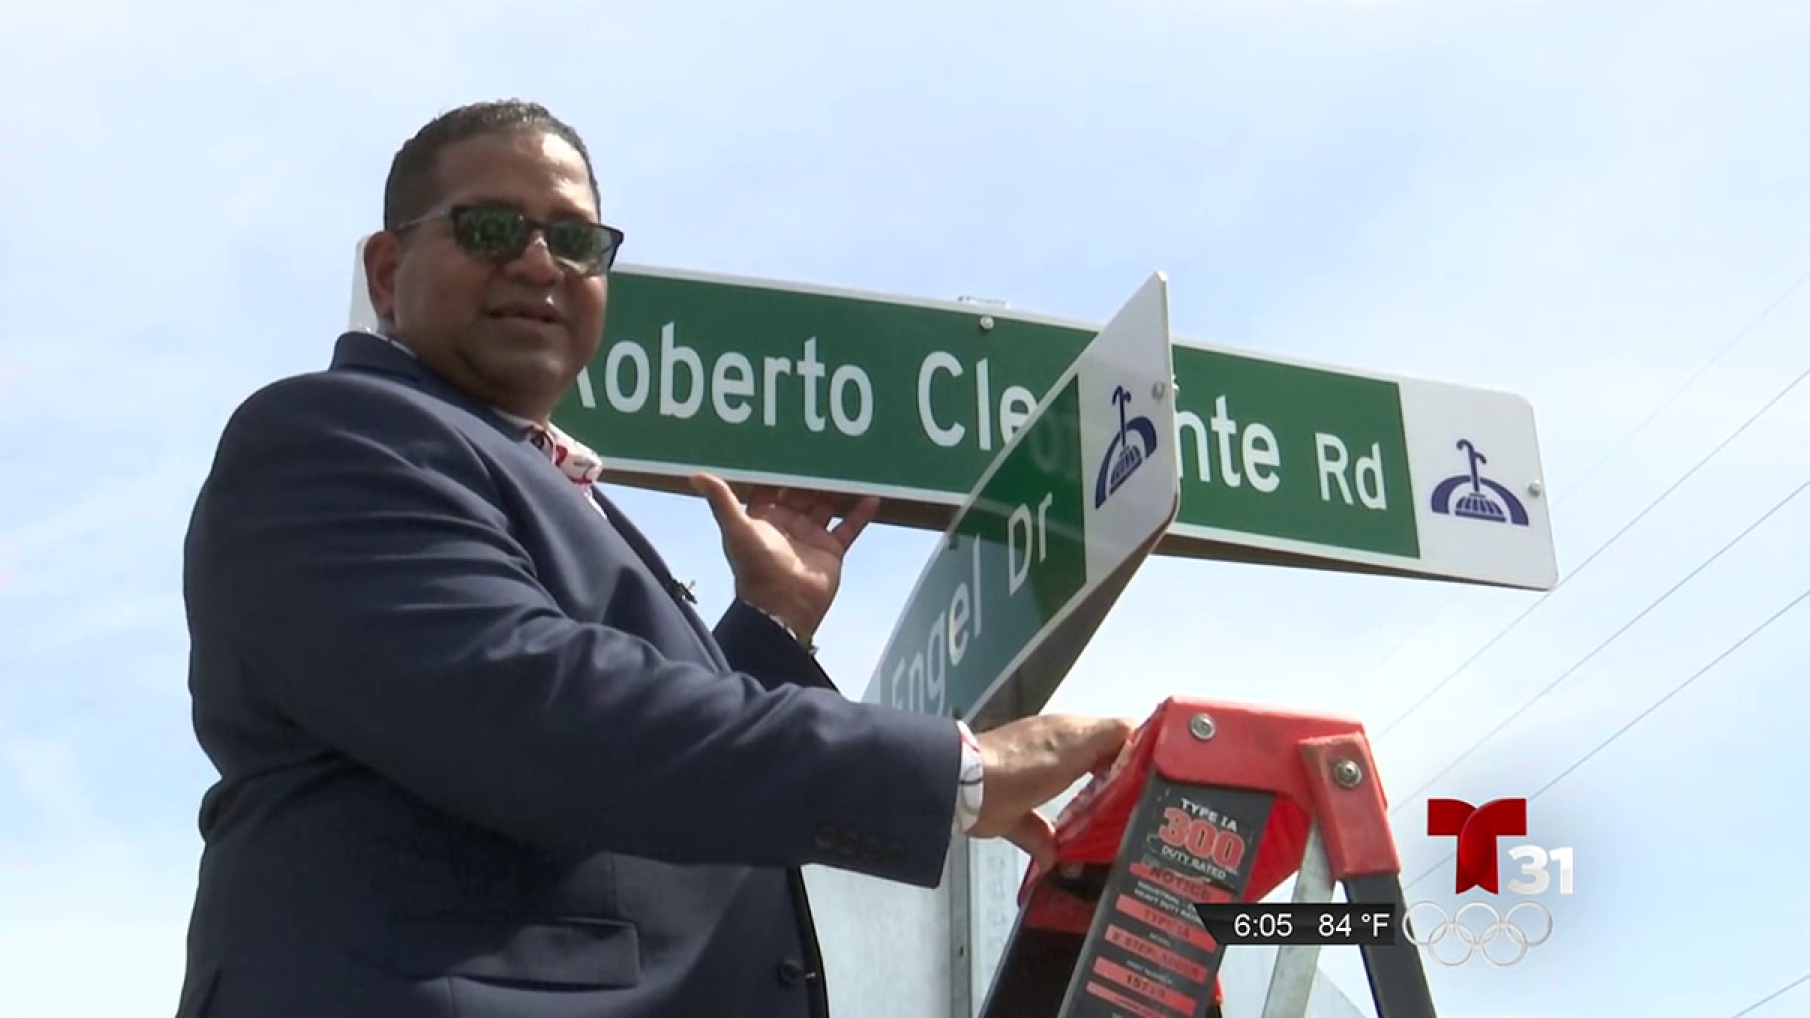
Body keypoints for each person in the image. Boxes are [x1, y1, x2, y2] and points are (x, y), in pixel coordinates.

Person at [175, 98, 1135, 1018]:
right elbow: (533, 710)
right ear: (387, 272)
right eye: (492, 230)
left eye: (576, 239)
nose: (540, 262)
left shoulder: (540, 485)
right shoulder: (331, 438)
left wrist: (768, 625)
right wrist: (952, 773)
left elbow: (637, 785)